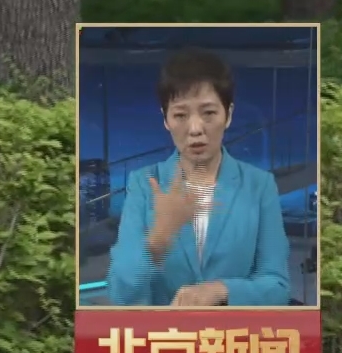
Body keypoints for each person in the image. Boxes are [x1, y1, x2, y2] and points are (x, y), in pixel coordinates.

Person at [108, 48, 292, 307]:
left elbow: (277, 286)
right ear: (165, 120)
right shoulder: (145, 184)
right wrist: (159, 237)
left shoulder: (259, 185)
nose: (195, 129)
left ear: (228, 115)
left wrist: (221, 291)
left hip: (233, 333)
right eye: (180, 115)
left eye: (208, 113)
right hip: (166, 333)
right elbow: (120, 294)